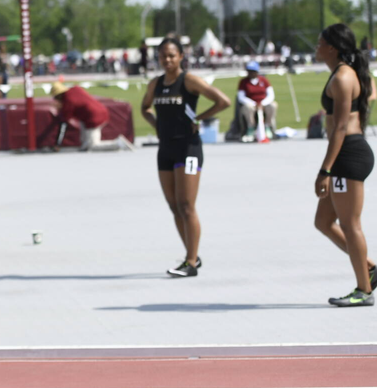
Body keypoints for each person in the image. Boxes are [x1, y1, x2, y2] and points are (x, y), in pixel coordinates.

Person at [140, 36, 231, 277]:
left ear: (181, 56)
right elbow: (145, 108)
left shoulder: (188, 80)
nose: (167, 60)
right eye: (162, 56)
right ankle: (192, 255)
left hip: (188, 149)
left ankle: (190, 262)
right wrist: (156, 124)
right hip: (165, 150)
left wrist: (199, 119)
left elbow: (224, 101)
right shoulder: (155, 84)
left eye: (171, 55)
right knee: (174, 206)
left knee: (187, 205)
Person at [313, 24, 375, 307]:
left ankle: (363, 290)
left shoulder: (341, 77)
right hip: (349, 151)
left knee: (350, 225)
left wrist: (325, 170)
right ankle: (370, 269)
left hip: (347, 154)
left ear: (332, 48)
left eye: (320, 43)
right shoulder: (348, 73)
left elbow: (339, 128)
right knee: (324, 222)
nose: (316, 47)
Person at [50, 83, 134, 151]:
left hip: (94, 118)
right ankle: (84, 146)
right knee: (84, 137)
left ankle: (118, 144)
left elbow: (64, 119)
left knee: (93, 145)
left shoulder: (68, 100)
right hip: (98, 112)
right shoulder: (75, 89)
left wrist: (60, 109)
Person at [236, 61, 278, 142]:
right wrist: (254, 104)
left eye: (252, 71)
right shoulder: (243, 82)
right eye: (249, 71)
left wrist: (262, 103)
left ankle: (267, 126)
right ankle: (250, 128)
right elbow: (241, 97)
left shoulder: (264, 80)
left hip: (263, 103)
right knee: (247, 108)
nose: (250, 73)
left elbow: (271, 95)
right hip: (251, 104)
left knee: (273, 105)